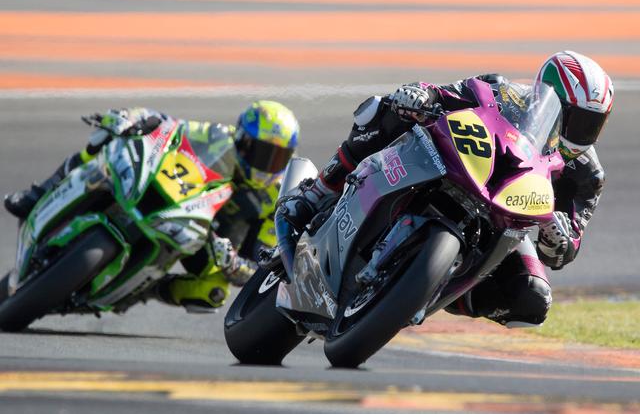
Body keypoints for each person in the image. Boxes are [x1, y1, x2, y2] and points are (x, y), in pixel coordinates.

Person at [281, 51, 611, 327]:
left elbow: (565, 249)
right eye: (576, 120)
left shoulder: (588, 175)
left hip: (506, 219)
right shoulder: (503, 92)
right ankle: (318, 192)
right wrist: (420, 95)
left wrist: (557, 237)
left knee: (533, 297)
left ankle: (424, 291)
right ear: (547, 96)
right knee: (385, 110)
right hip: (457, 168)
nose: (580, 134)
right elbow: (441, 93)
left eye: (591, 125)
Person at [4, 101, 300, 312]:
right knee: (107, 139)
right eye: (262, 152)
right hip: (178, 200)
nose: (267, 164)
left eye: (277, 157)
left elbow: (265, 266)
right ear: (243, 139)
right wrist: (132, 118)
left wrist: (234, 263)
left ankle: (147, 289)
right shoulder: (218, 137)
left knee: (212, 293)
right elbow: (170, 125)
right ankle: (39, 192)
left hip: (210, 245)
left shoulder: (271, 201)